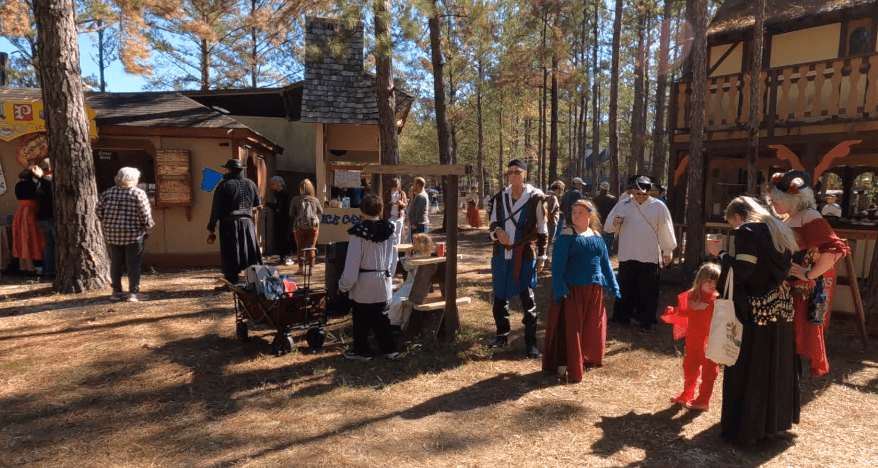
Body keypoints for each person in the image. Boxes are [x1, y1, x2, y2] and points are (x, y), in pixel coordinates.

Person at [707, 196, 800, 444]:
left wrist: (721, 254)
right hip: (779, 308)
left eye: (732, 224)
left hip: (755, 309)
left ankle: (748, 426)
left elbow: (743, 271)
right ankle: (774, 423)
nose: (734, 229)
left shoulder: (747, 231)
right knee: (775, 363)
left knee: (752, 367)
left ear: (738, 218)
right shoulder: (780, 229)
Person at [768, 170, 849, 377]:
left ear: (791, 199)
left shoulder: (809, 216)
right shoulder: (789, 218)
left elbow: (834, 249)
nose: (772, 203)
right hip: (780, 294)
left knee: (789, 351)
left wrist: (810, 274)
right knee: (779, 351)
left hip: (797, 294)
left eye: (775, 199)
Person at [542, 199, 619, 382]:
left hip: (593, 289)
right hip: (572, 289)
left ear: (590, 216)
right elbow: (557, 266)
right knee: (571, 328)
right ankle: (569, 364)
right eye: (574, 212)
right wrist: (561, 287)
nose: (576, 216)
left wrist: (613, 284)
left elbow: (605, 264)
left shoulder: (597, 236)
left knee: (592, 325)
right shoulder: (567, 235)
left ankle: (587, 358)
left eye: (581, 213)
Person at [487, 159, 548, 357]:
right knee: (499, 296)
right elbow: (493, 223)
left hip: (525, 254)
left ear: (525, 174)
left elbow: (542, 229)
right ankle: (501, 337)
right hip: (501, 253)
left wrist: (542, 255)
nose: (513, 175)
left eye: (517, 171)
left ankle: (531, 343)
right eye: (510, 172)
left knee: (527, 298)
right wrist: (497, 232)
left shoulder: (536, 198)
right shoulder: (500, 197)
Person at [603, 175, 677, 333]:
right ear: (633, 192)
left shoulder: (658, 207)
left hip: (649, 255)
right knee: (625, 287)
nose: (641, 197)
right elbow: (608, 226)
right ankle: (622, 316)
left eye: (645, 194)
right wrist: (614, 223)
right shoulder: (623, 205)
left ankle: (646, 320)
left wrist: (667, 250)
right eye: (638, 193)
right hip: (628, 252)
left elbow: (666, 229)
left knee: (647, 290)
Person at [339, 193, 400, 361]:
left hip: (364, 281)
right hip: (382, 279)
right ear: (380, 210)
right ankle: (389, 349)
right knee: (382, 318)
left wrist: (344, 284)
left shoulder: (358, 234)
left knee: (361, 319)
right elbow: (394, 259)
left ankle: (362, 350)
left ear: (362, 211)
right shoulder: (390, 230)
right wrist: (389, 277)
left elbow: (352, 264)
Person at [661, 263, 721, 411]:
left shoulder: (718, 301)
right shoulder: (692, 295)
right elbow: (685, 313)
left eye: (715, 282)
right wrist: (674, 312)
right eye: (709, 281)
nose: (712, 285)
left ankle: (703, 399)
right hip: (693, 339)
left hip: (709, 341)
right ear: (700, 280)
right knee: (690, 366)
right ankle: (688, 392)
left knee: (709, 369)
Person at [96, 167, 155, 301]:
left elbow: (98, 210)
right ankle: (133, 293)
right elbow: (145, 215)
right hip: (133, 234)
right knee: (133, 264)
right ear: (134, 179)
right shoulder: (138, 193)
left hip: (112, 234)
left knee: (115, 262)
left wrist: (108, 222)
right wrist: (148, 227)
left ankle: (116, 292)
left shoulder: (108, 193)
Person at [207, 158, 263, 286]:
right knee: (250, 252)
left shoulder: (224, 185)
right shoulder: (251, 184)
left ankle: (231, 282)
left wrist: (211, 226)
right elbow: (257, 204)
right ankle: (254, 282)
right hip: (247, 223)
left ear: (229, 169)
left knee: (230, 252)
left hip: (229, 224)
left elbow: (216, 208)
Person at [388, 232, 435, 328]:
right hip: (421, 285)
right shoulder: (427, 255)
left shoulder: (415, 257)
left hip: (413, 285)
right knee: (396, 297)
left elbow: (406, 266)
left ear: (420, 245)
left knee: (395, 300)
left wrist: (407, 254)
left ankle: (394, 323)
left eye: (414, 243)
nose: (413, 245)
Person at [12, 165, 46, 277]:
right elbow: (38, 196)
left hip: (21, 212)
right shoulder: (33, 184)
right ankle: (39, 267)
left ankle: (28, 266)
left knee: (23, 240)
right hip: (32, 213)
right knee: (36, 239)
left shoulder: (18, 184)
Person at [289, 179, 323, 274]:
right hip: (313, 228)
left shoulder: (296, 199)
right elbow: (320, 211)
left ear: (301, 189)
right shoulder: (315, 200)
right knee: (311, 247)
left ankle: (300, 269)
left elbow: (291, 213)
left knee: (300, 247)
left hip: (299, 227)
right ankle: (311, 269)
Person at [265, 176, 294, 266]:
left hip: (284, 219)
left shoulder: (283, 194)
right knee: (279, 238)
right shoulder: (277, 194)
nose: (271, 187)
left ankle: (288, 255)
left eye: (272, 184)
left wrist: (270, 205)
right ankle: (281, 256)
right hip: (278, 219)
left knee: (285, 237)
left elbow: (281, 208)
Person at [36, 158, 55, 278]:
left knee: (49, 245)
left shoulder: (37, 183)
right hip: (51, 217)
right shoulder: (50, 183)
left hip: (41, 217)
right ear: (49, 169)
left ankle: (48, 270)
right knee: (58, 244)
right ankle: (56, 269)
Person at [593, 181, 618, 253]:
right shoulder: (613, 199)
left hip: (598, 222)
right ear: (608, 189)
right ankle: (606, 257)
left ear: (600, 188)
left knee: (598, 241)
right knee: (608, 243)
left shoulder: (595, 199)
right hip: (610, 223)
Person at [383, 178, 408, 245]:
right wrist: (392, 203)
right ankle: (391, 247)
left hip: (399, 215)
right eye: (394, 187)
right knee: (391, 232)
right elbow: (384, 204)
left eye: (396, 187)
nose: (395, 189)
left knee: (398, 233)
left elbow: (405, 204)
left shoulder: (402, 193)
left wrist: (401, 203)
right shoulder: (387, 194)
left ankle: (397, 249)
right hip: (390, 215)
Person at [407, 177, 429, 243]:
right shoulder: (419, 195)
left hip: (419, 227)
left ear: (417, 186)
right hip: (418, 226)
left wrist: (415, 224)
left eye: (414, 185)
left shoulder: (421, 196)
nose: (413, 187)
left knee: (419, 248)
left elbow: (419, 212)